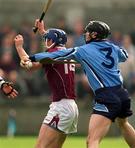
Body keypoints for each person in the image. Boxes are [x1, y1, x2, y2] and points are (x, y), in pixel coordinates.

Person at [20, 20, 135, 148]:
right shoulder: (113, 47)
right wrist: (44, 33)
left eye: (88, 32)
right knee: (123, 124)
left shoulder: (82, 50)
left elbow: (58, 54)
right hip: (122, 93)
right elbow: (124, 55)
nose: (85, 34)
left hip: (106, 95)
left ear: (94, 35)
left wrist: (30, 57)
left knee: (92, 141)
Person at [14, 20, 78, 148]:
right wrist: (43, 31)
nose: (46, 42)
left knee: (40, 146)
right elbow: (53, 44)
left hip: (61, 107)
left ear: (53, 41)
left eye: (48, 39)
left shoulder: (52, 54)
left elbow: (30, 65)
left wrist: (19, 48)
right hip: (72, 107)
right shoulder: (65, 51)